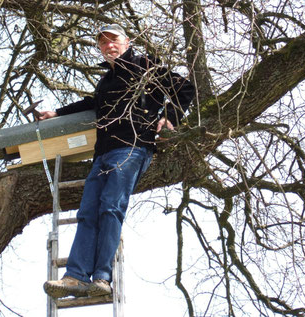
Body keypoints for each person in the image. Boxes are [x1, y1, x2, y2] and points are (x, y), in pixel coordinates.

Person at [40, 24, 194, 298]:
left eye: (113, 40)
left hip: (132, 148)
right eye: (103, 43)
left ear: (127, 42)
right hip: (102, 153)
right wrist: (58, 113)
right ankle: (75, 277)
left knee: (110, 208)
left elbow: (185, 89)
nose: (108, 46)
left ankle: (101, 278)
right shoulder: (106, 80)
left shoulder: (146, 67)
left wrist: (170, 116)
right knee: (87, 213)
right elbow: (92, 103)